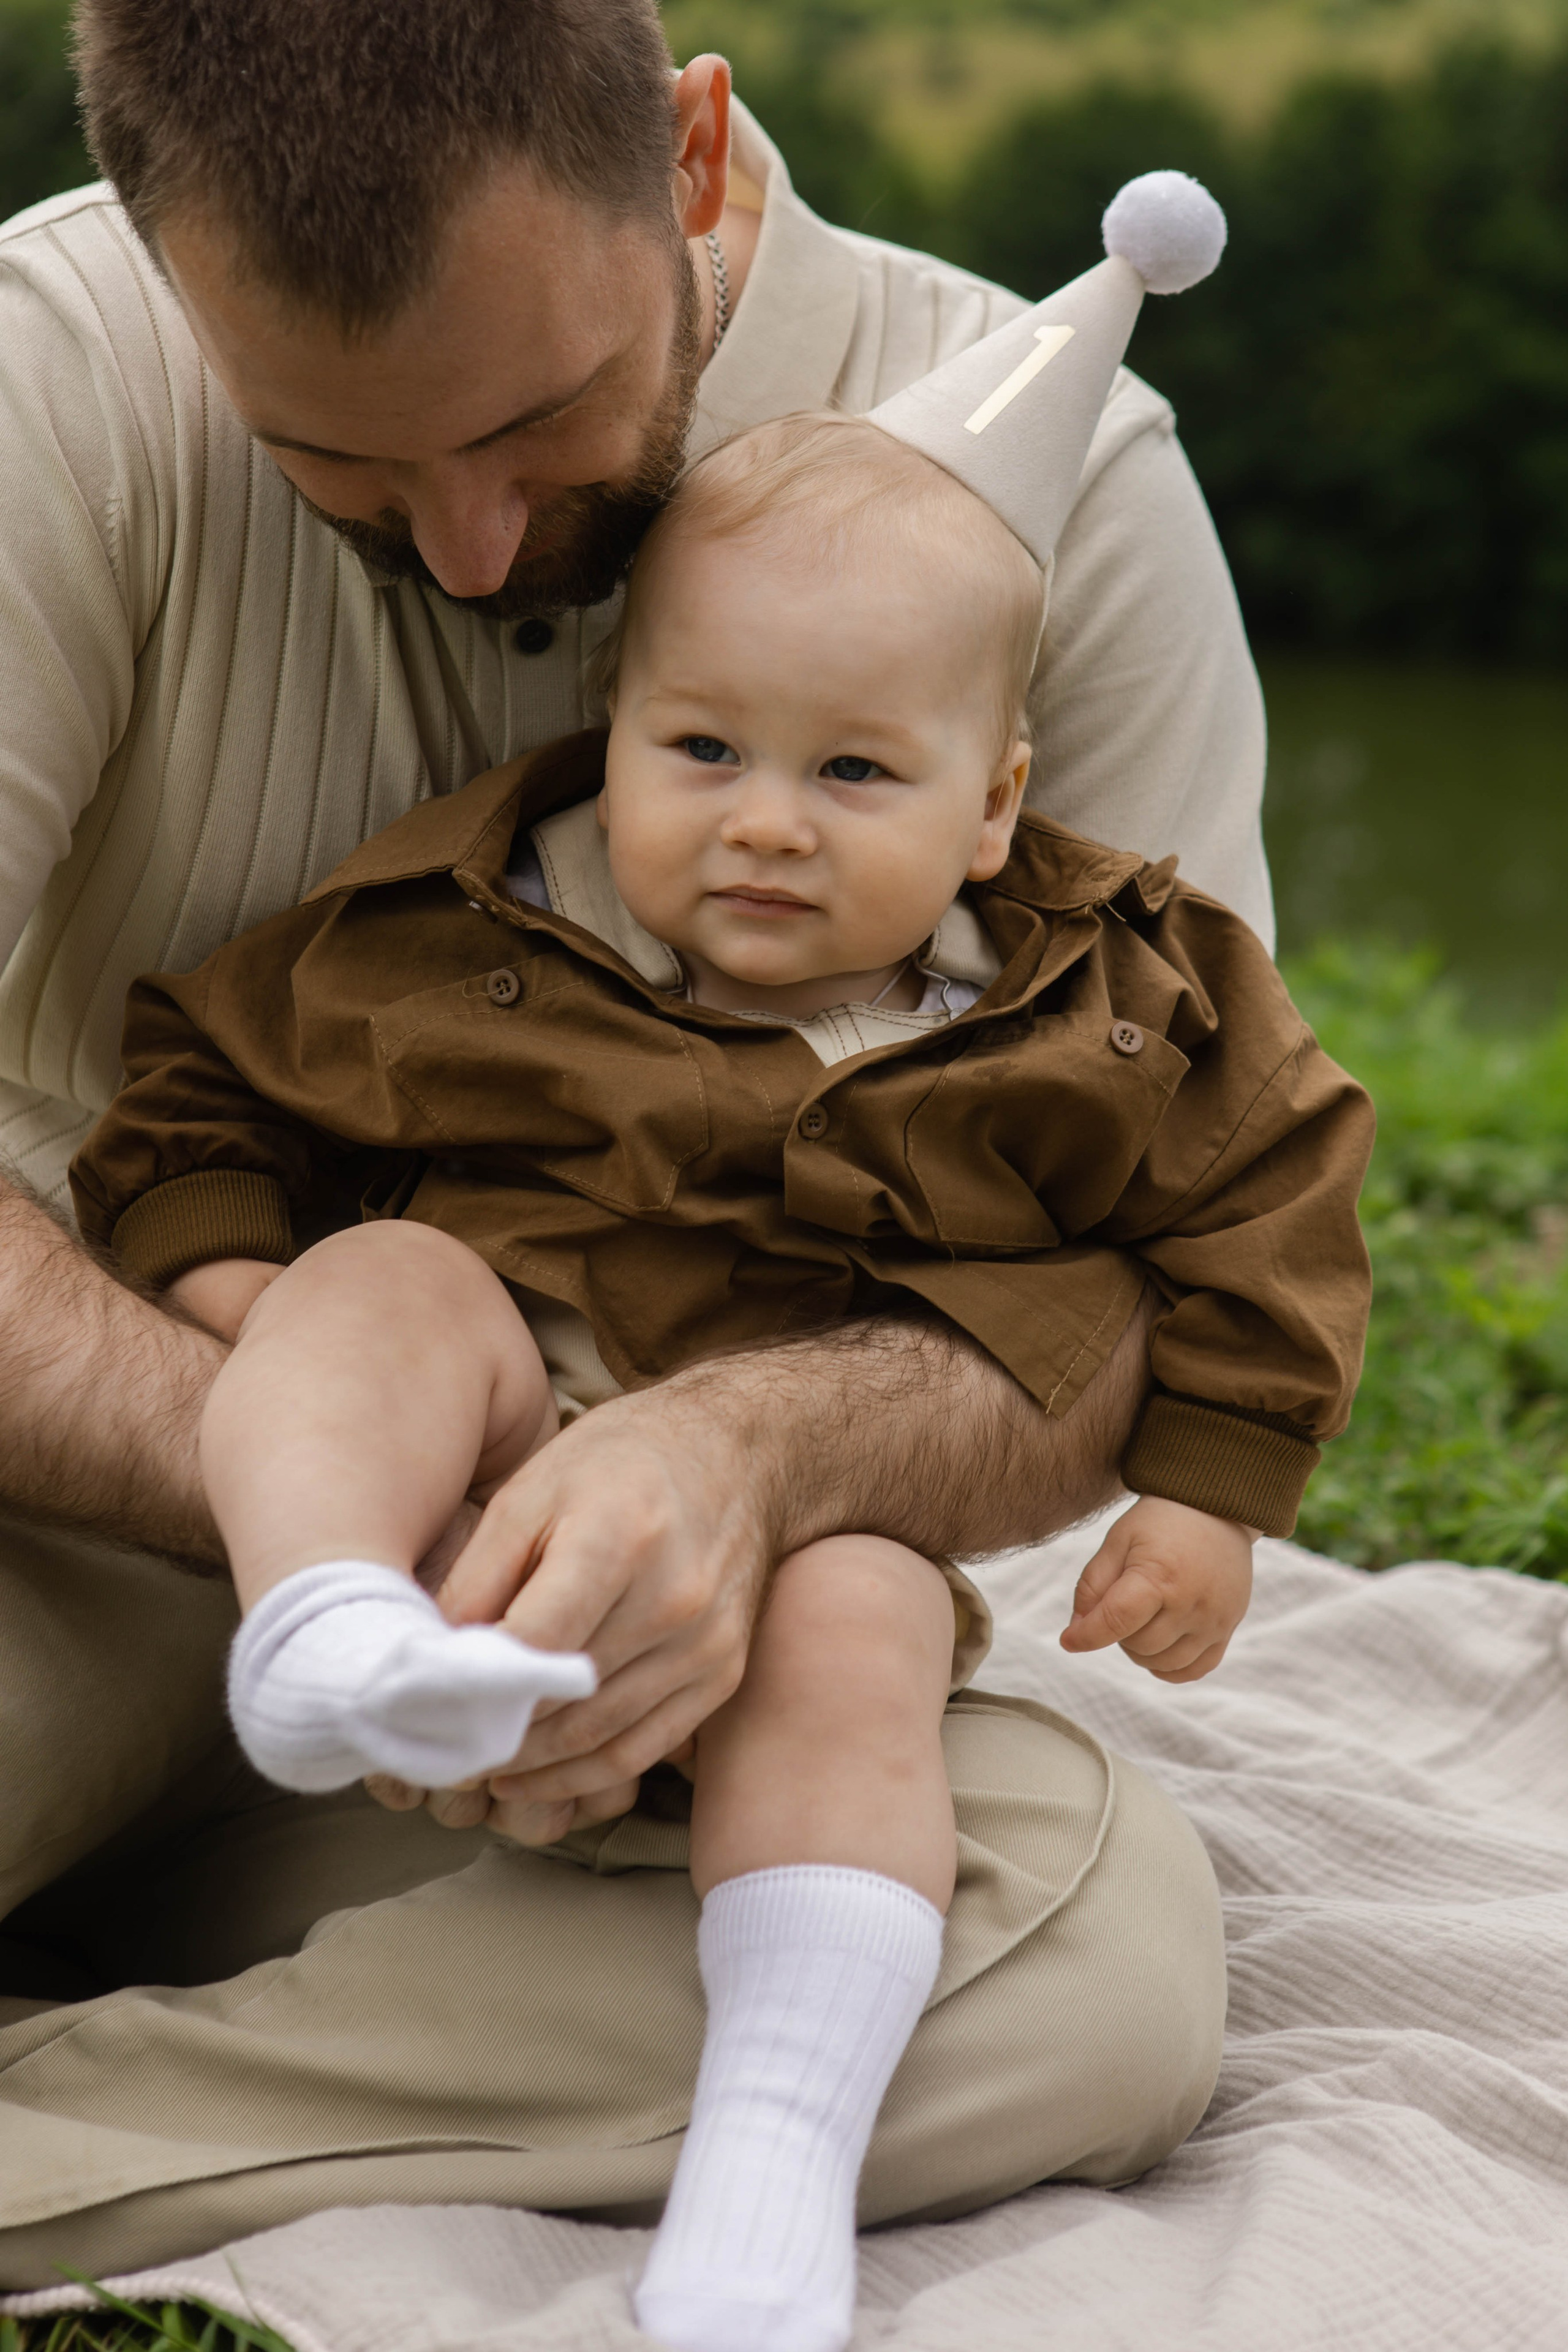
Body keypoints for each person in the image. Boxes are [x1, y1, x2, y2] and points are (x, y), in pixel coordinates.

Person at [0, 0, 1262, 2293]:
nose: (475, 556)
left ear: (688, 157)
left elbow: (1167, 1258)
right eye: (335, 465)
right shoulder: (46, 383)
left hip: (658, 1680)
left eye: (538, 422)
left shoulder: (1061, 502)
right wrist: (331, 1495)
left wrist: (752, 1465)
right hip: (66, 1517)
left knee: (1075, 1954)